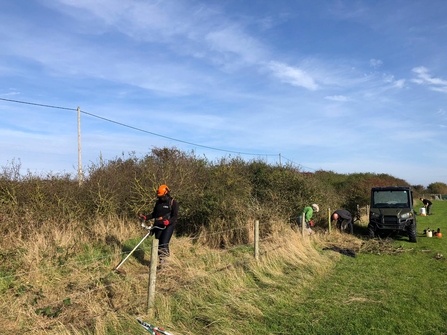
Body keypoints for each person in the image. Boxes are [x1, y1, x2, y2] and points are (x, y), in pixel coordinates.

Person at [139, 184, 179, 269]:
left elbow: (175, 216)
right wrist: (146, 217)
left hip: (168, 226)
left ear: (167, 194)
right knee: (158, 245)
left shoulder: (173, 203)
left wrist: (168, 221)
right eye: (159, 196)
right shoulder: (158, 203)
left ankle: (166, 264)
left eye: (162, 196)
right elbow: (154, 214)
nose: (161, 198)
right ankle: (161, 262)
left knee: (164, 243)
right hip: (158, 226)